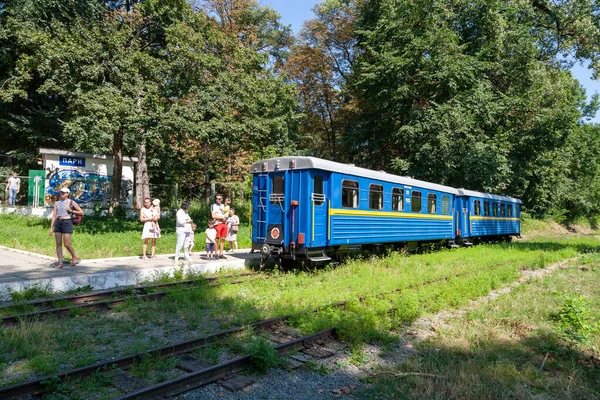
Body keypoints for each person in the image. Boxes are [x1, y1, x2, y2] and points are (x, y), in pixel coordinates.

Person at [48, 187, 83, 269]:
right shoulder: (57, 203)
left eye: (63, 193)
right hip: (58, 222)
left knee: (66, 244)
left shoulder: (71, 202)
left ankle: (74, 256)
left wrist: (71, 210)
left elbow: (81, 212)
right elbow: (54, 216)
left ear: (67, 194)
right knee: (58, 243)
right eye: (61, 193)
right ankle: (60, 263)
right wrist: (51, 228)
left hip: (67, 222)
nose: (61, 194)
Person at [210, 194, 228, 259]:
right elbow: (213, 216)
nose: (218, 200)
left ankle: (221, 253)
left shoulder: (223, 206)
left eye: (219, 199)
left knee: (223, 239)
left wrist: (225, 218)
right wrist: (221, 218)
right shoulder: (213, 206)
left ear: (222, 199)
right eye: (217, 198)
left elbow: (226, 214)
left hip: (224, 224)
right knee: (216, 239)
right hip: (217, 224)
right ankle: (216, 254)